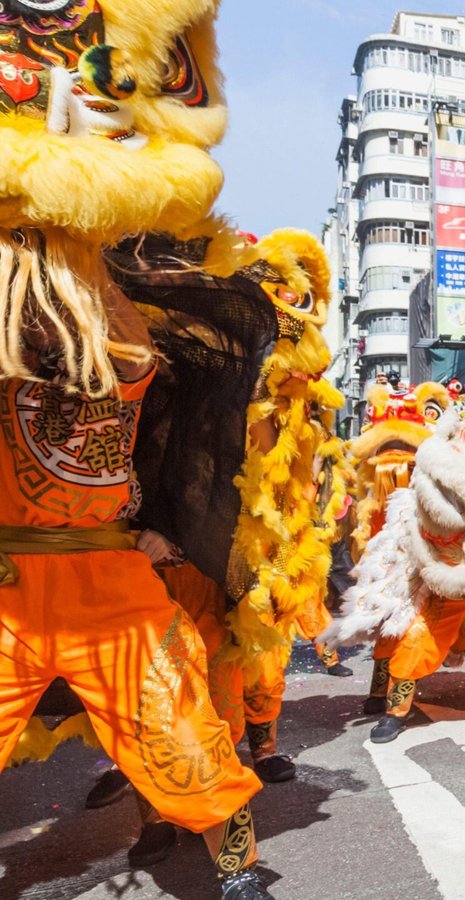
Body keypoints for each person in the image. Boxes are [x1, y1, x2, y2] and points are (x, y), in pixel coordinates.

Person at [0, 285, 274, 899]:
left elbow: (133, 352)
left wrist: (79, 262)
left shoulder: (117, 382)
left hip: (110, 591)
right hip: (9, 592)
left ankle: (240, 870)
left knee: (181, 725)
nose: (47, 326)